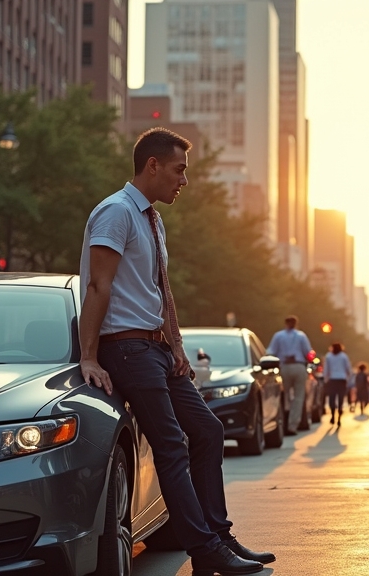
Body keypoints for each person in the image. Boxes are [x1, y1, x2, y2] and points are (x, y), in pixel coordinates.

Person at [78, 127, 272, 575]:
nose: (184, 181)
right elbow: (98, 285)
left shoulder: (152, 219)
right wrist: (89, 355)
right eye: (179, 170)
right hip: (126, 348)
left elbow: (160, 288)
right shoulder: (115, 213)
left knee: (205, 430)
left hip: (158, 350)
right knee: (170, 445)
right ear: (153, 166)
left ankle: (219, 537)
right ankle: (205, 551)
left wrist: (177, 344)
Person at [267, 315, 313, 434]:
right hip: (299, 367)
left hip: (284, 367)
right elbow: (308, 353)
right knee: (298, 397)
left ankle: (283, 421)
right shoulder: (301, 336)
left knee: (283, 395)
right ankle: (292, 425)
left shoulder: (278, 336)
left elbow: (271, 352)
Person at [324, 343, 352, 426]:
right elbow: (348, 369)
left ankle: (333, 415)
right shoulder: (344, 356)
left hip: (332, 380)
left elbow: (326, 369)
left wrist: (326, 379)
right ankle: (339, 418)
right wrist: (348, 378)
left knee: (331, 399)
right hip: (341, 380)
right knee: (341, 399)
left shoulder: (328, 356)